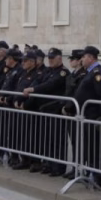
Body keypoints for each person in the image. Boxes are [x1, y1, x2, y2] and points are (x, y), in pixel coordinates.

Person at [23, 47, 70, 175]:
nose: (50, 60)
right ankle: (49, 164)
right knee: (47, 139)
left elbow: (50, 85)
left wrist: (33, 90)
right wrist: (31, 87)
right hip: (45, 109)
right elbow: (38, 81)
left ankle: (58, 167)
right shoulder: (48, 71)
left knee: (57, 140)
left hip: (55, 110)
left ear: (59, 58)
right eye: (49, 58)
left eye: (52, 58)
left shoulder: (63, 72)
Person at [75, 45, 101, 188]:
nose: (81, 60)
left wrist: (99, 115)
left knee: (94, 147)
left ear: (91, 58)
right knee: (89, 147)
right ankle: (90, 172)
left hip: (93, 115)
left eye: (84, 57)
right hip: (87, 115)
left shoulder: (98, 73)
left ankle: (97, 176)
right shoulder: (89, 72)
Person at [62, 49, 87, 178]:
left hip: (76, 112)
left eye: (72, 59)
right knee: (73, 142)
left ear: (79, 61)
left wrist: (69, 107)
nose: (70, 61)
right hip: (70, 112)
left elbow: (77, 94)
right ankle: (74, 167)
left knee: (79, 142)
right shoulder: (74, 74)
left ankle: (79, 168)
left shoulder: (82, 75)